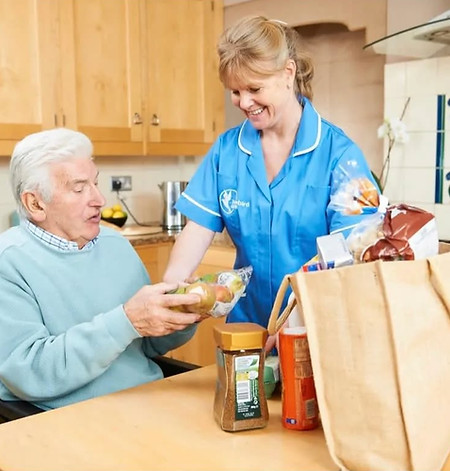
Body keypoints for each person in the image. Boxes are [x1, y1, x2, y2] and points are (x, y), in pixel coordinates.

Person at [163, 15, 379, 337]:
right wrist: (170, 292)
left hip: (317, 328)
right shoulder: (227, 150)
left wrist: (296, 324)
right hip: (247, 327)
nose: (244, 103)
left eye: (254, 88)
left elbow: (354, 253)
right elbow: (197, 229)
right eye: (235, 91)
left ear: (288, 73)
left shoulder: (341, 155)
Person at [0, 128, 202, 410]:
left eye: (95, 184)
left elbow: (144, 346)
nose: (99, 199)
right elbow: (30, 373)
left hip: (147, 402)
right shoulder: (8, 262)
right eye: (79, 188)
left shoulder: (114, 243)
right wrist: (126, 321)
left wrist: (182, 312)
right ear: (35, 203)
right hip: (68, 420)